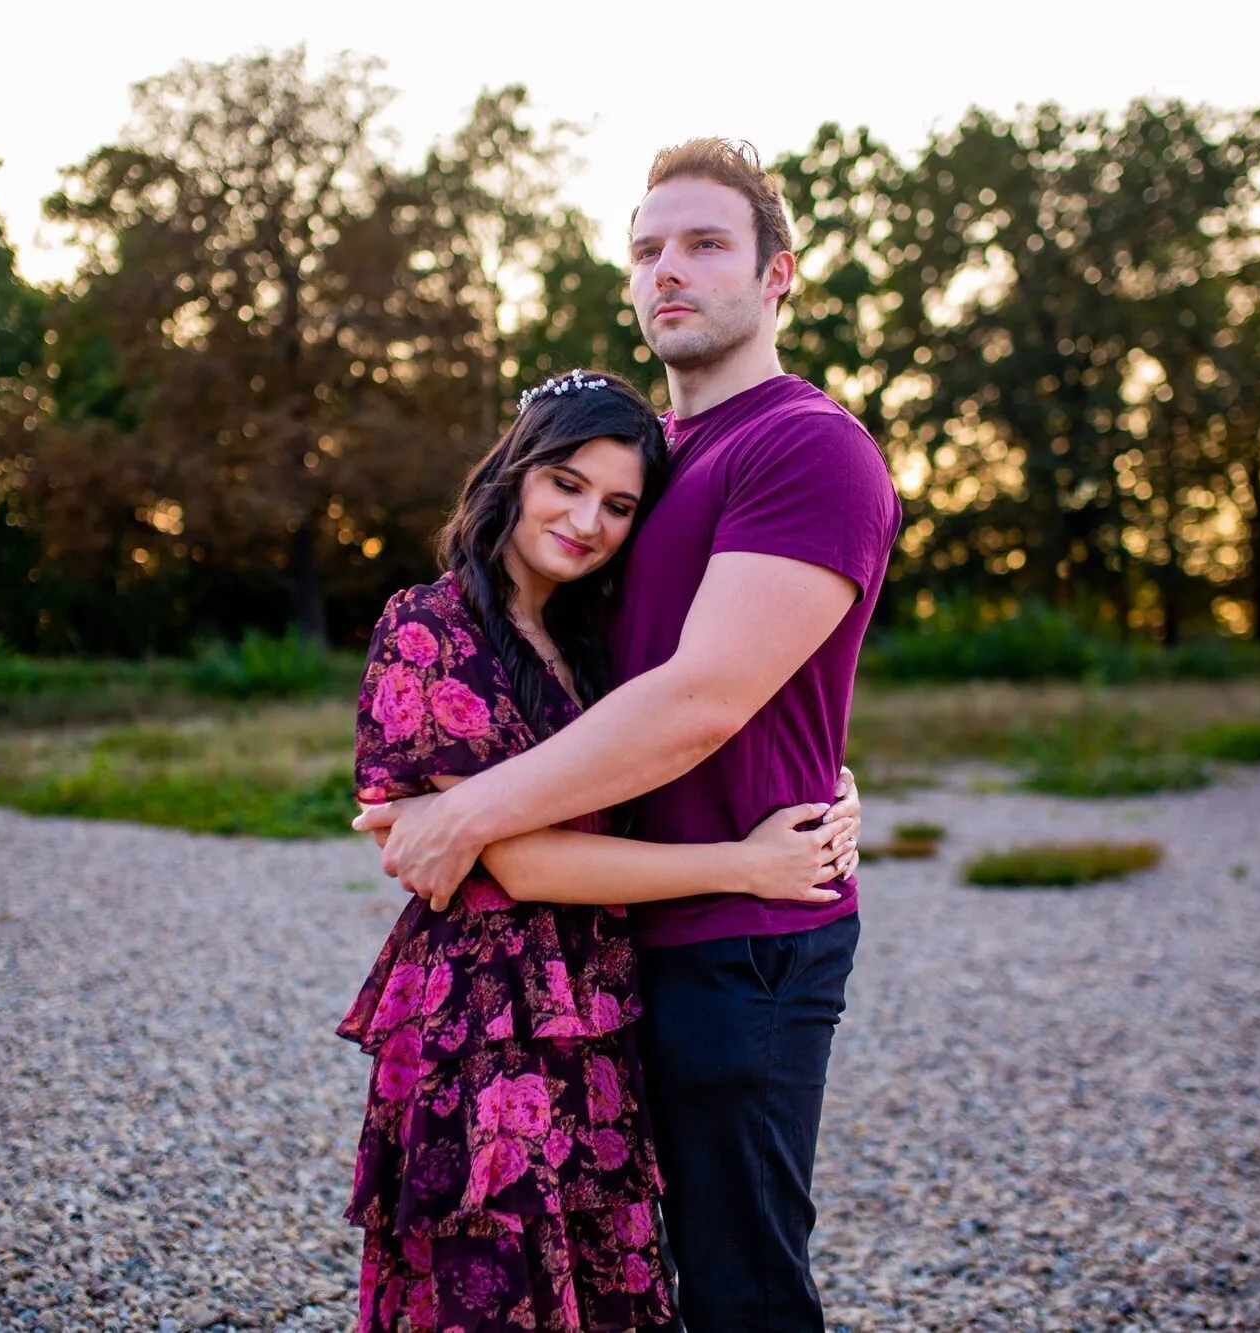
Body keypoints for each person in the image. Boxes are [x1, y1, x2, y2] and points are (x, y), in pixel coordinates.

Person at [357, 141, 902, 1332]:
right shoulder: (648, 456)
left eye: (705, 244)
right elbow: (599, 659)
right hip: (601, 940)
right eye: (647, 248)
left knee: (739, 1287)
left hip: (739, 939)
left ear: (776, 278)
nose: (670, 269)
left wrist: (464, 814)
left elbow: (704, 696)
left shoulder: (806, 445)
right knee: (608, 1281)